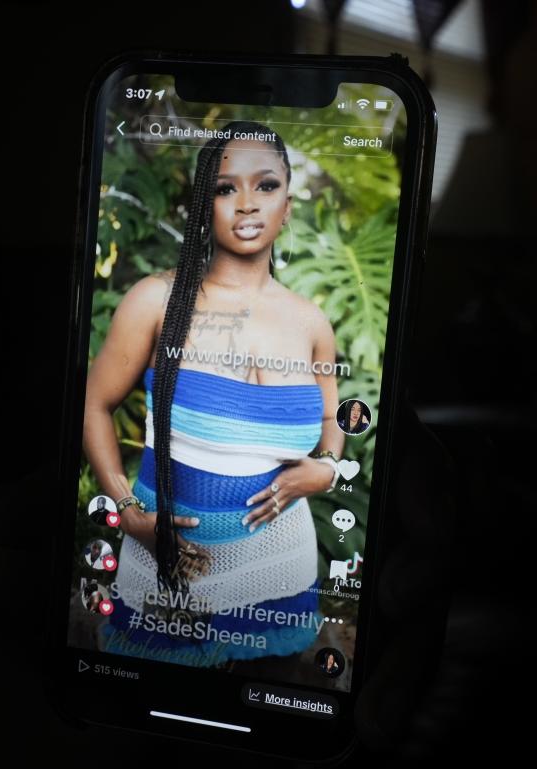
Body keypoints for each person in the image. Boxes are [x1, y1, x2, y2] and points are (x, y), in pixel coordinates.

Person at [81, 120, 344, 669]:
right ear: (206, 204)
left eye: (265, 185)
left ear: (288, 206)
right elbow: (93, 406)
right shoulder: (154, 302)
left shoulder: (311, 321)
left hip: (281, 569)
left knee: (272, 734)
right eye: (226, 188)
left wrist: (326, 468)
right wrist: (129, 515)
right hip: (168, 573)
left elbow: (330, 418)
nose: (247, 203)